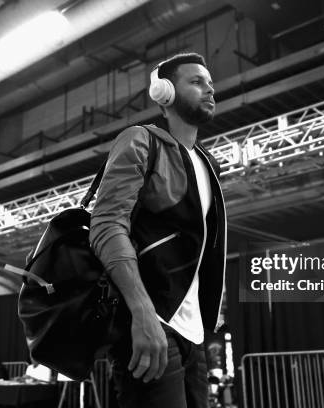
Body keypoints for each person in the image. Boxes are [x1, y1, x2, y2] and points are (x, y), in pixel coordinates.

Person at [89, 52, 226, 408]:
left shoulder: (208, 163)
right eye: (196, 82)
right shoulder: (140, 140)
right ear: (164, 92)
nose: (209, 91)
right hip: (152, 321)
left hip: (193, 334)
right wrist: (143, 312)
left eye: (210, 84)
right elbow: (106, 225)